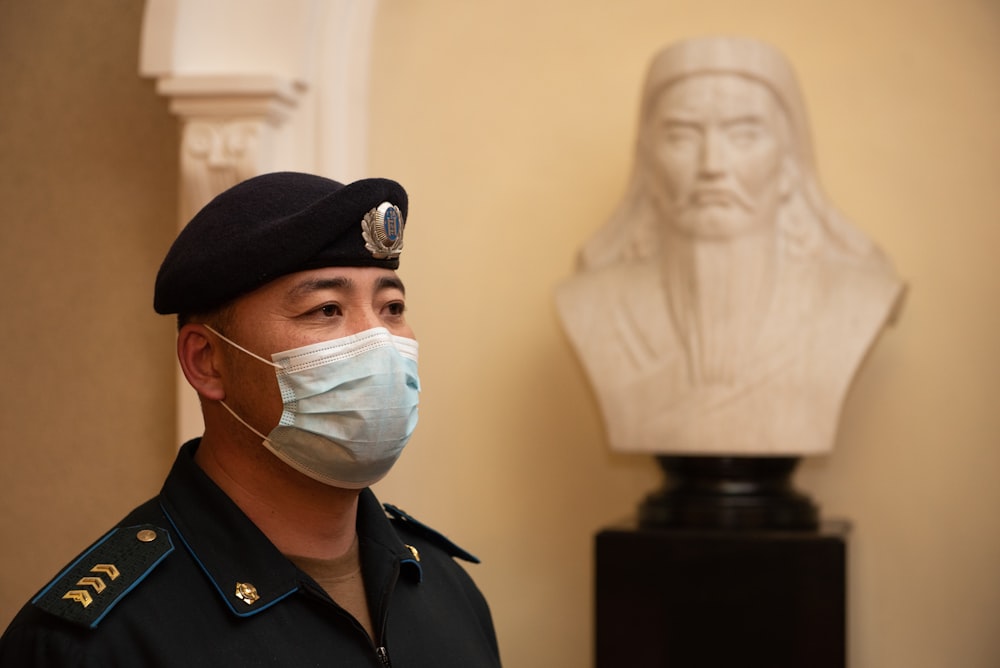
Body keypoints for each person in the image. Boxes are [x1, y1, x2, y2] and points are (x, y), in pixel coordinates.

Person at [0, 172, 502, 667]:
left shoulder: (444, 585)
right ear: (206, 361)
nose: (379, 342)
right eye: (326, 309)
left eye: (392, 307)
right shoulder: (95, 643)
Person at [555, 37, 904, 456]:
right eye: (682, 137)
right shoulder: (592, 305)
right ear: (647, 165)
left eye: (744, 135)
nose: (712, 166)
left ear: (790, 163)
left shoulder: (853, 301)